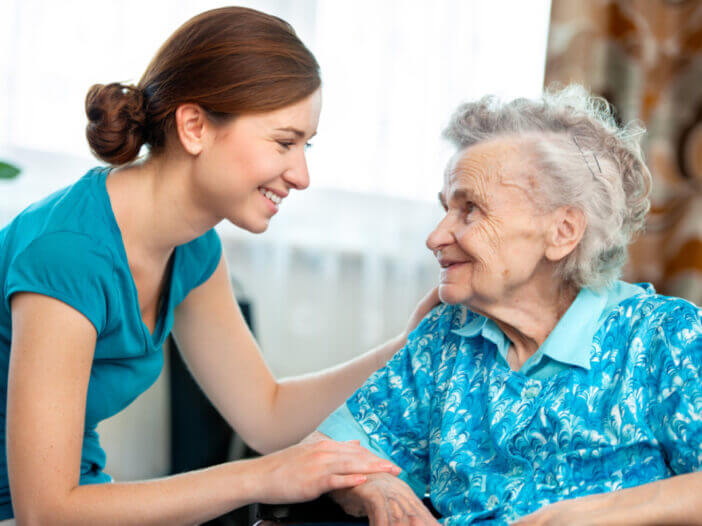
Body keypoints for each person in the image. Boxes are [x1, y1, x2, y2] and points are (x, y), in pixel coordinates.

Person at [0, 7, 438, 524]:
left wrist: (412, 347)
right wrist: (264, 475)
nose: (301, 175)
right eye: (284, 142)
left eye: (306, 146)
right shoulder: (69, 254)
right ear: (194, 127)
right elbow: (45, 511)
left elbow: (266, 414)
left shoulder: (193, 247)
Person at [306, 85, 702, 525]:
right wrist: (378, 486)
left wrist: (587, 515)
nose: (435, 237)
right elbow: (323, 454)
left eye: (470, 209)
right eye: (445, 209)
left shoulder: (666, 338)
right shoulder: (447, 340)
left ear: (562, 232)